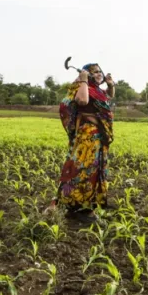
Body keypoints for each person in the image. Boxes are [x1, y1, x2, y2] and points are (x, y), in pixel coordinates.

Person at [45, 63, 115, 222]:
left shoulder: (96, 90)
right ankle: (76, 208)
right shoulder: (83, 88)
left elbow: (108, 97)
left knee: (94, 170)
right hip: (87, 138)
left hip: (97, 138)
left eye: (99, 72)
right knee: (84, 170)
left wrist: (110, 85)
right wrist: (83, 80)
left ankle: (85, 206)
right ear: (87, 75)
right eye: (94, 72)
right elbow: (82, 101)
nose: (98, 74)